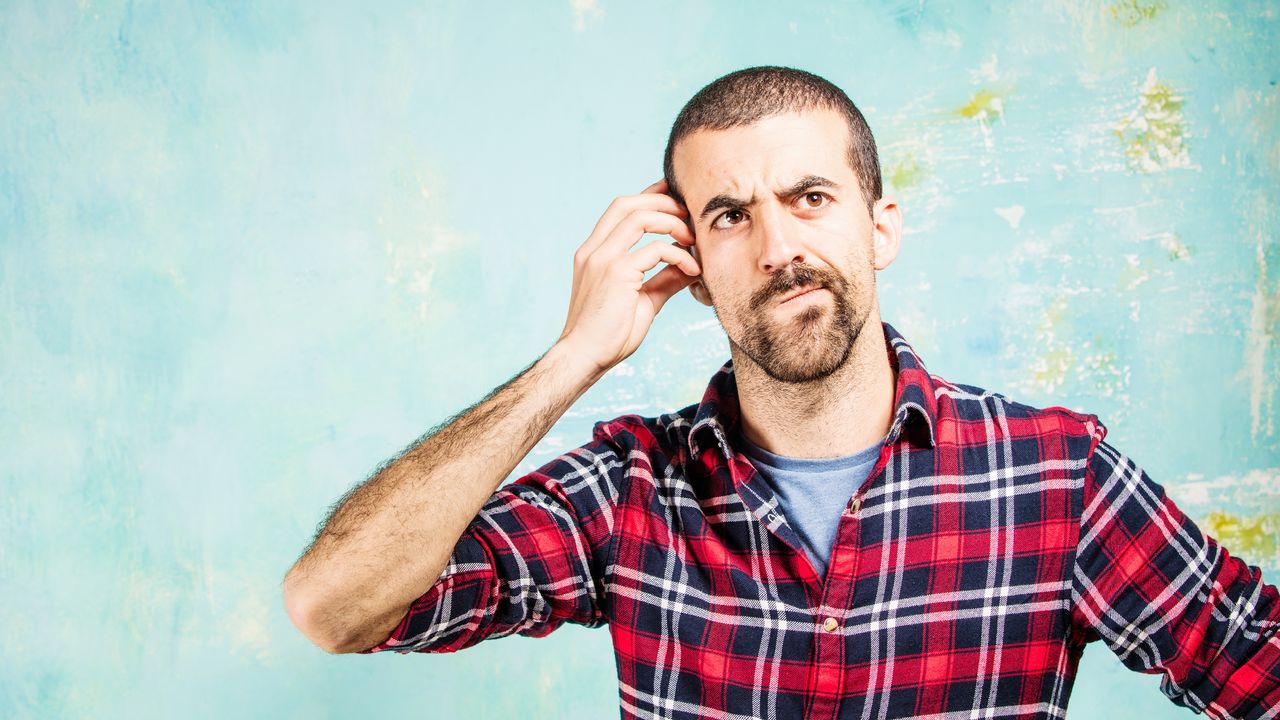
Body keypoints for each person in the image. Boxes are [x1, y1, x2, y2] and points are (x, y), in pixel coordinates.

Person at [282, 66, 1280, 718]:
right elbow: (336, 608)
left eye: (809, 198)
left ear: (877, 226)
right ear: (687, 262)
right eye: (727, 216)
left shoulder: (1055, 476)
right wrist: (571, 358)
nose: (777, 250)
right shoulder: (631, 488)